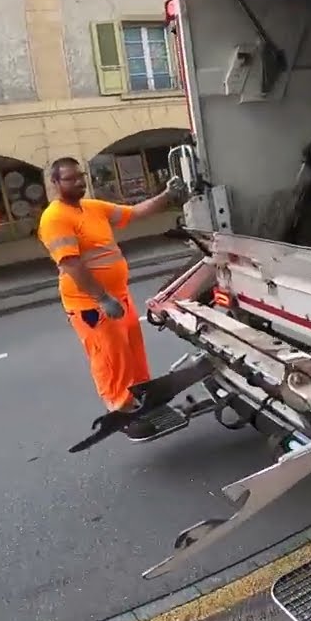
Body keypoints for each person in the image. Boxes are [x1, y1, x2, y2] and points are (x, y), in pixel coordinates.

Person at [38, 156, 189, 440]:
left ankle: (143, 400)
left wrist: (167, 195)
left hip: (118, 296)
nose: (79, 182)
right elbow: (71, 264)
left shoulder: (92, 208)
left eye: (80, 176)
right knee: (109, 358)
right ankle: (121, 412)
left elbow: (135, 213)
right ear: (56, 183)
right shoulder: (55, 217)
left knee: (131, 351)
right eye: (70, 178)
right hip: (91, 304)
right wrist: (102, 297)